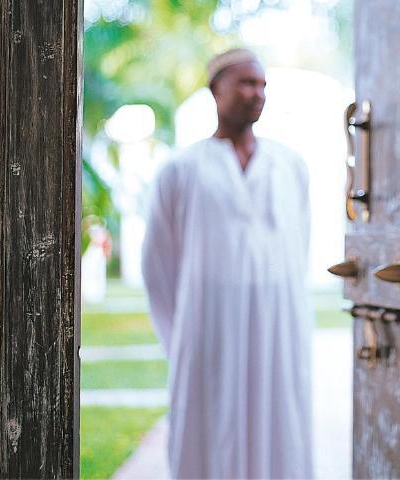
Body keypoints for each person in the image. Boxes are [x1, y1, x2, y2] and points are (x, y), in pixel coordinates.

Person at [142, 48, 313, 479]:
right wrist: (181, 334)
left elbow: (299, 245)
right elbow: (158, 264)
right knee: (207, 426)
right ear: (214, 89)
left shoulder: (290, 165)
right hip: (207, 327)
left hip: (278, 327)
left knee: (280, 421)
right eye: (245, 82)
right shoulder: (181, 170)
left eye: (262, 85)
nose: (257, 93)